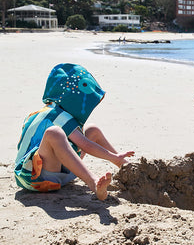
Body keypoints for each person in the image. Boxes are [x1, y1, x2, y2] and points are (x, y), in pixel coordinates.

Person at [14, 63, 134, 200]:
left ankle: (125, 166)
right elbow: (85, 145)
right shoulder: (59, 115)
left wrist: (115, 156)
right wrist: (112, 156)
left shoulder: (37, 114)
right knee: (54, 133)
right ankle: (93, 182)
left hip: (47, 173)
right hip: (37, 178)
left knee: (92, 130)